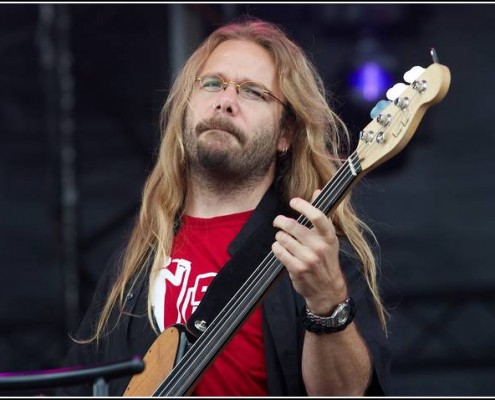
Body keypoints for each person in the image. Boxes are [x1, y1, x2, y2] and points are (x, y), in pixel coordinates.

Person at [57, 17, 391, 396]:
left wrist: (328, 304)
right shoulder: (141, 254)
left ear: (286, 134)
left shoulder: (312, 256)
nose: (225, 101)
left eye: (253, 92)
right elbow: (78, 383)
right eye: (212, 83)